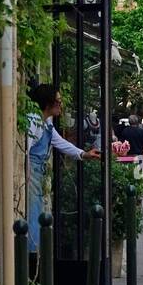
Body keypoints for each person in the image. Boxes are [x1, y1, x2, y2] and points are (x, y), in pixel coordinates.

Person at [27, 85, 100, 254]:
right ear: (48, 104)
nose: (61, 105)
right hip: (33, 172)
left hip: (38, 172)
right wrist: (28, 173)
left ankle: (34, 254)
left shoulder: (46, 122)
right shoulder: (34, 121)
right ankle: (31, 256)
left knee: (37, 213)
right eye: (58, 102)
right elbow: (26, 150)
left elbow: (59, 142)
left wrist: (83, 154)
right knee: (33, 213)